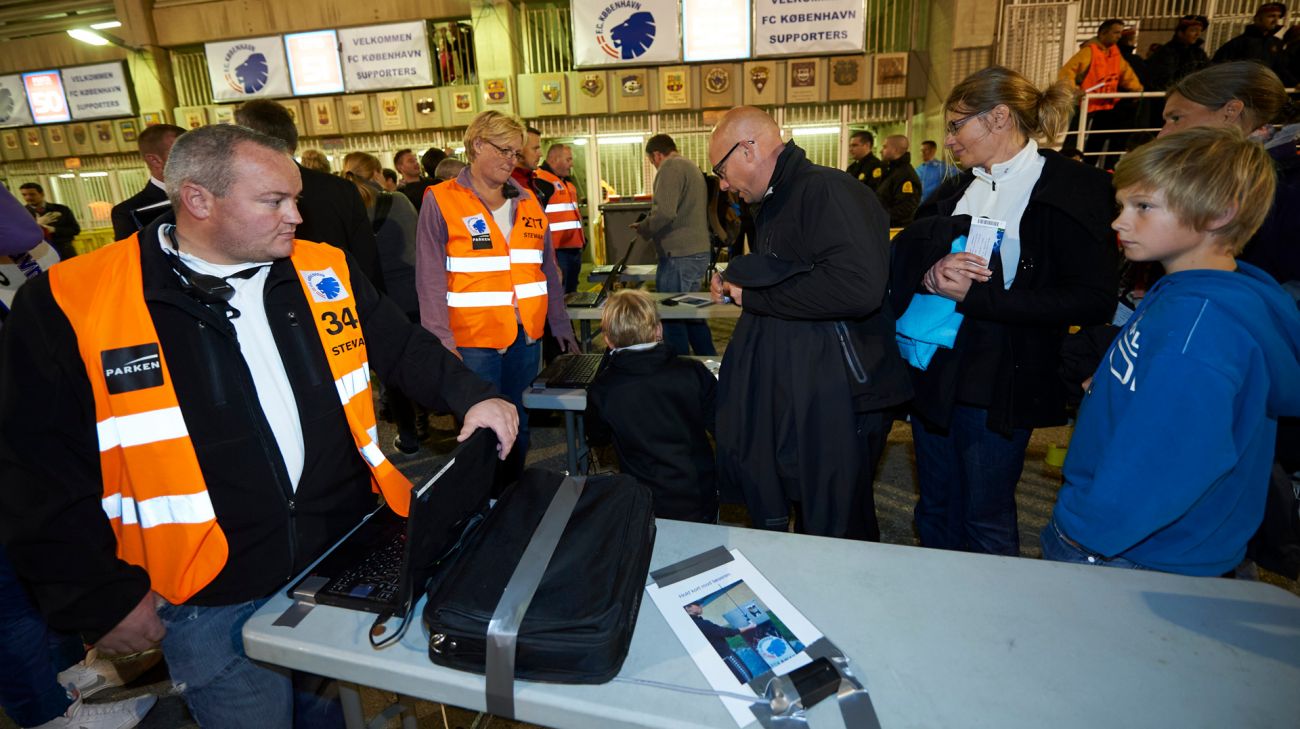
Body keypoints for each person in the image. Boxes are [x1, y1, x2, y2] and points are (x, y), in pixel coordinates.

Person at [0, 124, 518, 727]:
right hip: (205, 592)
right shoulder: (74, 300)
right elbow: (35, 470)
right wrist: (100, 598)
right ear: (198, 200)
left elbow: (404, 348)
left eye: (295, 198)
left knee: (328, 713)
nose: (296, 216)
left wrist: (472, 394)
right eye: (274, 201)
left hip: (336, 558)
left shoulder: (322, 270)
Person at [1044, 126, 1300, 575]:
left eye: (1143, 206)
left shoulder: (1197, 325)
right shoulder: (1202, 291)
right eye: (1122, 204)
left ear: (1219, 213)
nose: (1119, 221)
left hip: (1132, 548)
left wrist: (1083, 529)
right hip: (1182, 542)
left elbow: (1167, 458)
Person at [889, 66, 1118, 556]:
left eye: (956, 125)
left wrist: (983, 300)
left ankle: (993, 626)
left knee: (984, 516)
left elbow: (1094, 298)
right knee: (934, 507)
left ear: (998, 117)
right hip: (937, 371)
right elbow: (912, 256)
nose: (948, 140)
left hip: (1005, 382)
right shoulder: (956, 189)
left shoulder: (1071, 187)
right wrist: (931, 273)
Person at [709, 106, 911, 540]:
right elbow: (795, 275)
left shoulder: (825, 191)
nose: (723, 185)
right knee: (813, 517)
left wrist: (757, 294)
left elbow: (858, 289)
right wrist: (743, 280)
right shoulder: (776, 201)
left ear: (749, 148)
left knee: (841, 525)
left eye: (722, 171)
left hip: (849, 391)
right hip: (810, 389)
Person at [415, 111, 578, 487]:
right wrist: (440, 342)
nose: (511, 160)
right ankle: (480, 508)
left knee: (519, 427)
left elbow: (548, 272)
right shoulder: (441, 200)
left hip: (526, 338)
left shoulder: (529, 202)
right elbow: (429, 279)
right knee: (481, 433)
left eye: (516, 153)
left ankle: (511, 497)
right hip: (471, 343)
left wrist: (560, 325)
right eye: (504, 150)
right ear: (476, 145)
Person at [1159, 62, 1297, 286]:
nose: (1163, 134)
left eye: (1176, 118)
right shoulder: (1235, 175)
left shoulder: (1282, 186)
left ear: (1231, 112)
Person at [585, 290, 718, 523]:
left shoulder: (603, 389)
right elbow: (722, 426)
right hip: (697, 491)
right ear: (659, 330)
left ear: (607, 339)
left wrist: (608, 364)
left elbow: (597, 437)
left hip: (644, 497)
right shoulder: (692, 372)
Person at [235, 99, 386, 291]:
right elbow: (368, 263)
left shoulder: (241, 195)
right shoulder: (340, 189)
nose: (294, 217)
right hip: (344, 300)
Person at [342, 151, 426, 454]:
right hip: (411, 295)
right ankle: (429, 416)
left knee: (392, 370)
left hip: (374, 300)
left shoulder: (347, 208)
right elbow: (419, 251)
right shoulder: (399, 201)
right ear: (377, 173)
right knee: (423, 357)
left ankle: (409, 433)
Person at [634, 133, 716, 356]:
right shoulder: (690, 166)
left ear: (657, 154)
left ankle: (676, 368)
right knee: (691, 316)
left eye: (652, 161)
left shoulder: (670, 167)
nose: (654, 165)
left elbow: (665, 212)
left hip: (678, 255)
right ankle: (709, 364)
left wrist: (645, 227)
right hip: (695, 251)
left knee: (672, 319)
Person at [1059, 19, 1144, 169]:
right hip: (1085, 102)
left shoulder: (1114, 53)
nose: (1119, 36)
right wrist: (1074, 90)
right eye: (1116, 32)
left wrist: (1137, 89)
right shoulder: (1089, 51)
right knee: (1075, 136)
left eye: (1120, 33)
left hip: (1105, 104)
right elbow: (1067, 72)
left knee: (1096, 139)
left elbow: (1125, 73)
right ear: (1103, 33)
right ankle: (1066, 164)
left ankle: (1089, 167)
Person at [111, 124, 185, 240]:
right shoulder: (127, 212)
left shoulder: (213, 193)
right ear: (155, 160)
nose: (192, 159)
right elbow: (134, 256)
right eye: (182, 154)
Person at [535, 143, 586, 294]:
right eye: (568, 160)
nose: (572, 164)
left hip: (573, 249)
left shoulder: (567, 183)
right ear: (554, 159)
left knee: (571, 294)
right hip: (557, 252)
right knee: (559, 295)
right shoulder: (540, 181)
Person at [1212, 3, 1296, 86]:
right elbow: (1219, 68)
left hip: (1266, 90)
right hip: (1242, 90)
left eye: (1278, 16)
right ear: (1258, 19)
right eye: (1271, 16)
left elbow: (1281, 69)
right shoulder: (1238, 43)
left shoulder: (1276, 44)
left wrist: (1295, 83)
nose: (1276, 20)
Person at [684, 602, 755, 683]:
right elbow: (725, 632)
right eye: (697, 604)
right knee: (746, 677)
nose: (701, 606)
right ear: (688, 608)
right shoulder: (701, 624)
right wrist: (748, 627)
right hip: (725, 656)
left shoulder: (689, 625)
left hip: (715, 658)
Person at [1144, 15, 1210, 93]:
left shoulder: (1199, 53)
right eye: (1193, 30)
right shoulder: (1167, 53)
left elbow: (1208, 72)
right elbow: (1164, 80)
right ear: (1180, 33)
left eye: (1200, 31)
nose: (1198, 34)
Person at [19, 183, 80, 261]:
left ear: (42, 194)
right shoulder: (21, 213)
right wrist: (36, 225)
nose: (28, 197)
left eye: (32, 194)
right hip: (40, 256)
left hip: (65, 251)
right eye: (24, 195)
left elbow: (75, 230)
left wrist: (53, 230)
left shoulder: (62, 209)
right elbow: (21, 236)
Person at [875, 135, 922, 228]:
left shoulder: (906, 175)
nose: (881, 151)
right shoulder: (891, 171)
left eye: (885, 147)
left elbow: (905, 209)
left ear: (895, 150)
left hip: (895, 231)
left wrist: (879, 217)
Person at [915, 140, 959, 204]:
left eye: (925, 150)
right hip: (919, 206)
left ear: (933, 150)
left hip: (935, 205)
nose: (922, 152)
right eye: (921, 150)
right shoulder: (918, 169)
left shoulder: (942, 167)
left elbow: (960, 177)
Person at [510, 126, 544, 195]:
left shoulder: (529, 180)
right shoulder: (510, 185)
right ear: (519, 150)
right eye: (535, 148)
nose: (541, 154)